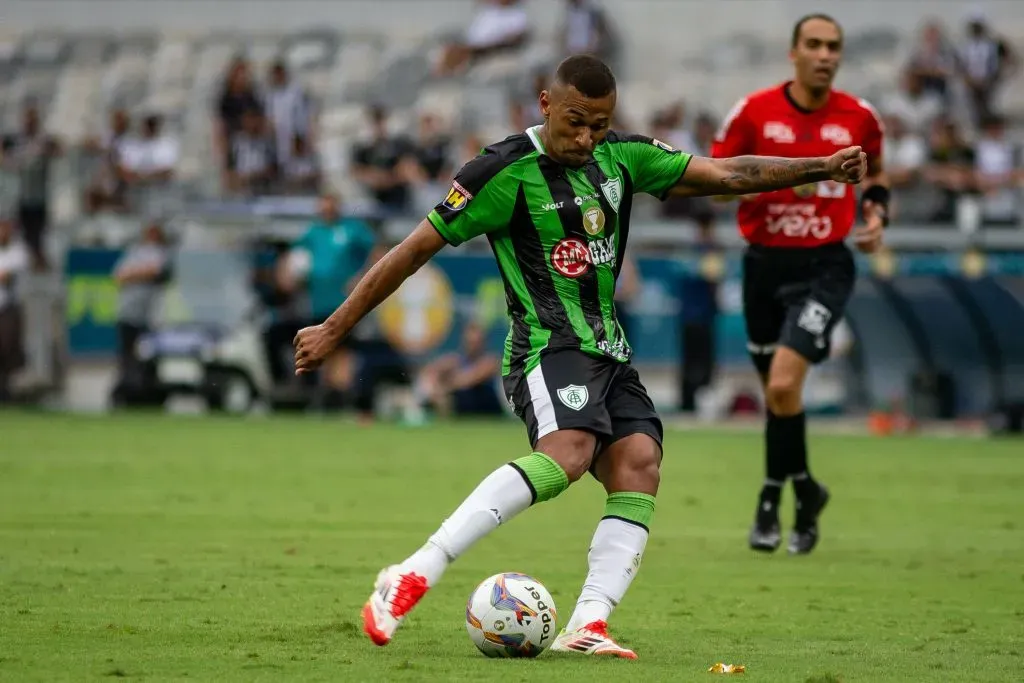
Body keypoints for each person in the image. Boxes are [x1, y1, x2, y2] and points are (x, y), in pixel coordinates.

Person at [293, 54, 867, 658]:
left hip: (609, 350)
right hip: (545, 347)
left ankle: (586, 624)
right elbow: (412, 251)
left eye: (599, 124)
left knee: (639, 461)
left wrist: (821, 166)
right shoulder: (501, 171)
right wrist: (335, 328)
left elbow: (727, 175)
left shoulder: (623, 156)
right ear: (545, 104)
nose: (587, 137)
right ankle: (413, 571)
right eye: (575, 122)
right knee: (568, 454)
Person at [710, 14, 888, 556]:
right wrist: (762, 182)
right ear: (794, 52)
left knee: (784, 385)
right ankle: (806, 492)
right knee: (776, 395)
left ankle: (770, 497)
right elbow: (716, 183)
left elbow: (877, 172)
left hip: (824, 267)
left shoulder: (859, 117)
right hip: (764, 266)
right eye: (813, 44)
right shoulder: (754, 112)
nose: (825, 54)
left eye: (833, 46)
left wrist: (877, 214)